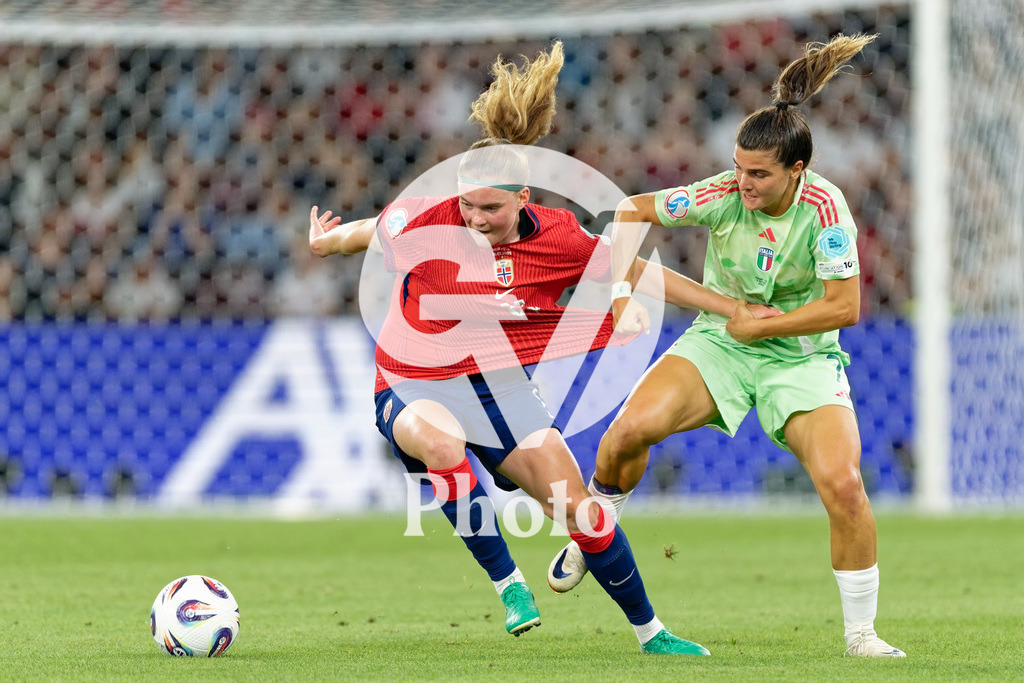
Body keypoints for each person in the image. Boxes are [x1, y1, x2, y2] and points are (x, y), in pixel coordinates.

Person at [309, 42, 775, 655]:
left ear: (524, 200)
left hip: (498, 388)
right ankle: (510, 587)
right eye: (468, 205)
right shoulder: (425, 222)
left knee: (583, 513)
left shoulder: (558, 237)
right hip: (412, 384)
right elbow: (369, 232)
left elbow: (633, 269)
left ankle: (652, 635)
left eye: (491, 208)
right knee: (442, 441)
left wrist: (727, 306)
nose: (475, 218)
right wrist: (326, 242)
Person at [546, 34, 906, 659]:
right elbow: (630, 212)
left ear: (798, 172)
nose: (742, 182)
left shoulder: (826, 211)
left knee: (844, 485)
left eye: (758, 173)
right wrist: (622, 299)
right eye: (738, 166)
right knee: (627, 434)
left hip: (802, 357)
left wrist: (763, 325)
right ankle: (595, 528)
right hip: (720, 343)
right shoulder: (720, 193)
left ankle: (860, 635)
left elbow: (845, 306)